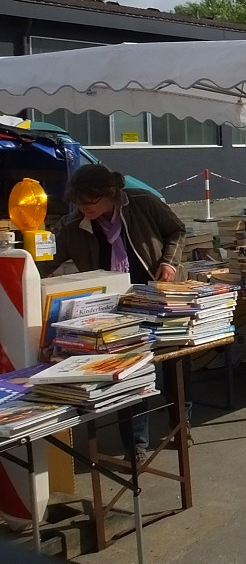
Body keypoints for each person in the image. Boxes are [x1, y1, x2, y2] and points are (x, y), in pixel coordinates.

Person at [47, 164, 187, 462]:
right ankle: (134, 445)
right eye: (78, 203)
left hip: (159, 295)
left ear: (111, 194)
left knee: (175, 365)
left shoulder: (143, 203)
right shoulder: (74, 225)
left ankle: (181, 424)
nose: (84, 209)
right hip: (114, 310)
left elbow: (177, 229)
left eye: (90, 202)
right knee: (128, 373)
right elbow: (46, 261)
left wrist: (169, 262)